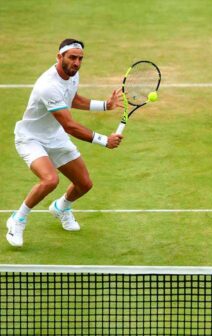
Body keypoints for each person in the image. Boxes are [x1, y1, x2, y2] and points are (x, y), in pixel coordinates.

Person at [6, 38, 124, 247]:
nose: (76, 63)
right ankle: (18, 219)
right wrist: (104, 140)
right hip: (30, 138)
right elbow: (70, 126)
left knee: (84, 184)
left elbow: (73, 98)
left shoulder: (72, 74)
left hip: (54, 136)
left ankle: (61, 207)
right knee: (50, 179)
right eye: (72, 58)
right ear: (59, 57)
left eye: (80, 58)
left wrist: (105, 105)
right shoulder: (47, 86)